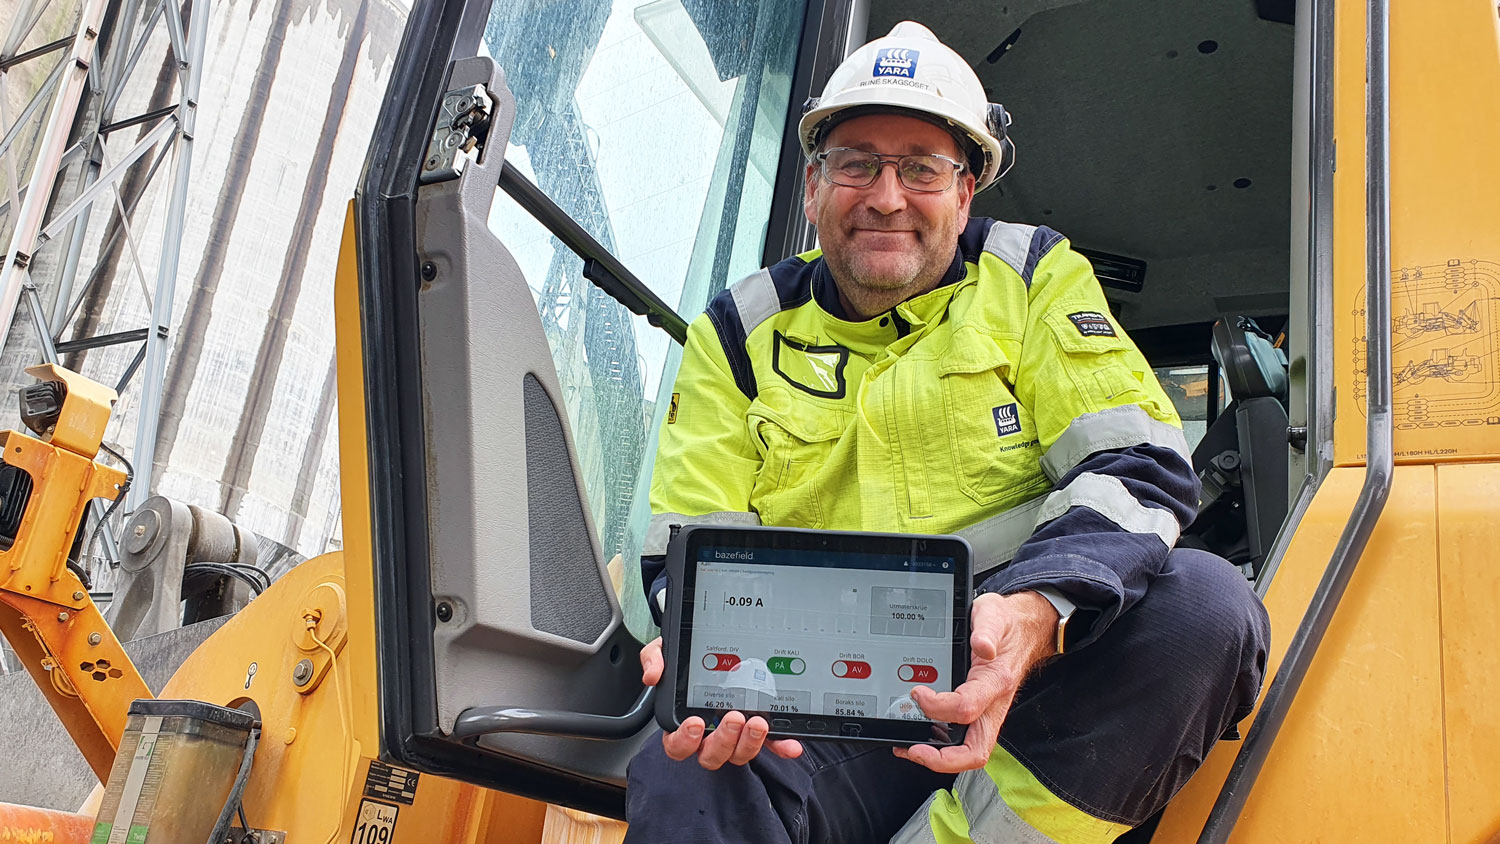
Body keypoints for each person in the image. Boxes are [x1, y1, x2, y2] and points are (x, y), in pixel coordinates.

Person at [624, 21, 1270, 844]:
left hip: (1023, 672)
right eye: (858, 163)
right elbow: (689, 541)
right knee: (690, 763)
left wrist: (1034, 612)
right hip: (818, 699)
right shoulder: (736, 335)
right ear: (815, 184)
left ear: (966, 192)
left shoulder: (1032, 279)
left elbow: (1138, 464)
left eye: (922, 169)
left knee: (1207, 609)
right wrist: (710, 660)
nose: (886, 196)